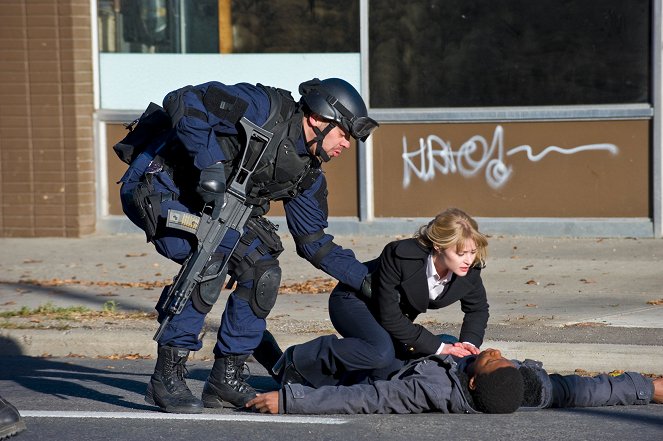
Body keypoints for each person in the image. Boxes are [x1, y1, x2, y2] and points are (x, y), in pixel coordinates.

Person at [117, 78, 379, 413]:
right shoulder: (264, 107)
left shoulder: (306, 174)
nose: (346, 145)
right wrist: (209, 163)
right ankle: (166, 377)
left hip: (216, 206)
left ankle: (225, 378)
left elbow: (314, 244)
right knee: (214, 256)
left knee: (263, 269)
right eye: (344, 133)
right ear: (318, 118)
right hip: (158, 184)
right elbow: (183, 99)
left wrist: (370, 281)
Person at [270, 208, 489, 388]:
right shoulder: (402, 256)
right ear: (438, 246)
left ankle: (321, 382)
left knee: (389, 371)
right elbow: (390, 316)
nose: (468, 260)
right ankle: (298, 358)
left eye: (472, 252)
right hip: (353, 301)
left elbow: (477, 309)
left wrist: (468, 344)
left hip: (389, 315)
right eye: (460, 253)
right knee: (380, 352)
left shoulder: (468, 271)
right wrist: (440, 347)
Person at [247, 347, 663, 414]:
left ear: (474, 384)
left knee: (289, 364)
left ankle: (273, 356)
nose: (496, 353)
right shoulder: (534, 391)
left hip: (363, 370)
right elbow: (591, 390)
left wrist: (290, 401)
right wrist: (650, 388)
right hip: (421, 354)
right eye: (505, 361)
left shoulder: (428, 389)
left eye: (491, 361)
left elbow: (366, 399)